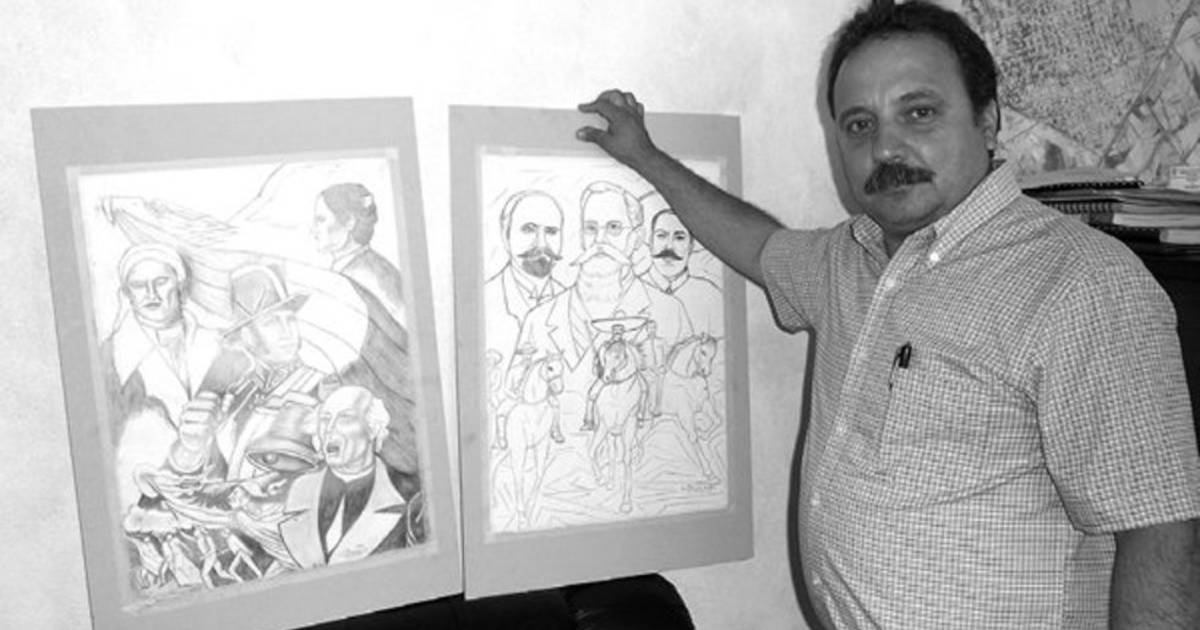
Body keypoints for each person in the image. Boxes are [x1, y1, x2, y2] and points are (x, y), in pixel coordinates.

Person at [575, 1, 1200, 627]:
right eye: (859, 125)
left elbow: (1160, 533)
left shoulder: (1083, 283)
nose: (886, 147)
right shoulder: (851, 258)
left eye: (918, 112)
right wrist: (646, 158)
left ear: (988, 121)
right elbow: (759, 248)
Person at [513, 180, 693, 431]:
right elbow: (515, 396)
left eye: (614, 228)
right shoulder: (539, 319)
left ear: (636, 238)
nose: (600, 242)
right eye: (590, 229)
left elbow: (688, 392)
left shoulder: (671, 311)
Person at [102, 243, 223, 511]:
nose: (151, 293)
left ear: (180, 286)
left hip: (217, 490)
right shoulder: (112, 359)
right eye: (138, 285)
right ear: (127, 294)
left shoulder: (218, 345)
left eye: (160, 282)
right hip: (150, 498)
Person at [279, 385, 418, 568]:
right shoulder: (298, 491)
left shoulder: (408, 495)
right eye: (325, 419)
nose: (329, 429)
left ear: (372, 429)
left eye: (345, 418)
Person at [311, 182, 406, 329]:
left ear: (350, 222)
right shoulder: (349, 268)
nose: (313, 230)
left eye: (321, 220)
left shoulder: (369, 275)